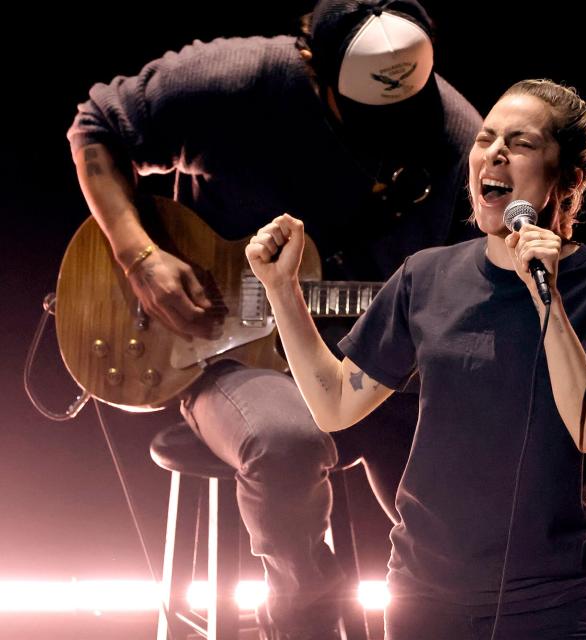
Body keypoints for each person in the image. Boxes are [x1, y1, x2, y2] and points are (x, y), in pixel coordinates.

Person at [66, 1, 482, 638]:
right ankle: (304, 606)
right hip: (231, 353)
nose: (387, 135)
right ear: (315, 76)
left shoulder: (456, 136)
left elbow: (473, 282)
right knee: (287, 442)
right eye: (366, 121)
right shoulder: (244, 80)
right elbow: (97, 125)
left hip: (380, 369)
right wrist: (139, 255)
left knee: (473, 478)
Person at [247, 79, 586, 640]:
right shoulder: (427, 275)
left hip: (549, 604)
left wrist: (546, 299)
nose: (495, 153)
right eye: (486, 139)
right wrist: (281, 289)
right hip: (423, 596)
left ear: (570, 177)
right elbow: (335, 404)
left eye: (522, 142)